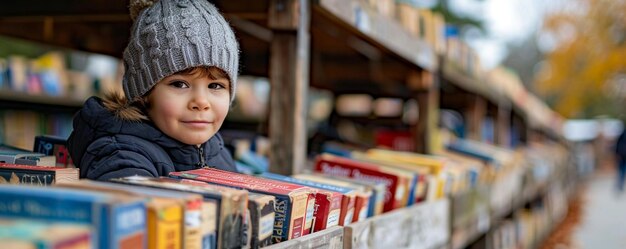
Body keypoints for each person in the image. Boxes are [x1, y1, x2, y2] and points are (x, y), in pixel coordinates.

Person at [68, 0, 239, 180]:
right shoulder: (122, 156)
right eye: (180, 84)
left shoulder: (219, 155)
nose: (201, 102)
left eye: (215, 86)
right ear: (144, 93)